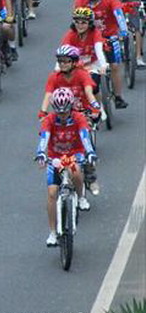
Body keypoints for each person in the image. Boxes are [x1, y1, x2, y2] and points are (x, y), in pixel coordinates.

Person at [35, 87, 96, 247]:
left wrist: (89, 152)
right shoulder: (49, 120)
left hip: (74, 154)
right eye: (59, 112)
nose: (62, 115)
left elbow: (85, 136)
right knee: (52, 193)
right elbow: (44, 137)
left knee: (75, 172)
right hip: (55, 157)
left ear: (70, 108)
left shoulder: (79, 118)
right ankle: (53, 232)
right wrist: (41, 152)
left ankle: (81, 197)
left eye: (65, 112)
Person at [74, 0, 129, 108]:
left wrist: (123, 30)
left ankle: (118, 96)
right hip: (91, 38)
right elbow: (77, 23)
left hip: (110, 36)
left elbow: (119, 14)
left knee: (115, 65)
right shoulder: (80, 2)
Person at [39, 45, 100, 117]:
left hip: (83, 111)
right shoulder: (54, 77)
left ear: (74, 62)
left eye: (66, 61)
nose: (62, 64)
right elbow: (48, 95)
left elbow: (88, 92)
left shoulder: (83, 74)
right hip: (62, 113)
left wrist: (95, 105)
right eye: (60, 61)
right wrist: (43, 111)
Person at [60, 7, 108, 99]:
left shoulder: (95, 33)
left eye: (83, 22)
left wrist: (103, 65)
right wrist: (58, 68)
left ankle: (99, 108)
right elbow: (63, 52)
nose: (79, 25)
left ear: (90, 24)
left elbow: (99, 50)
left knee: (93, 87)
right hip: (76, 65)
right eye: (77, 22)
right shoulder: (70, 35)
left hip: (93, 64)